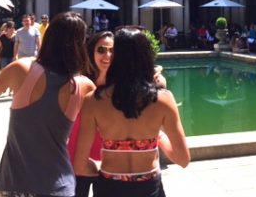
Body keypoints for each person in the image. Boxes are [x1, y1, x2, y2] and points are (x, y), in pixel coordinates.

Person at [0, 11, 96, 197]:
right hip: (58, 185)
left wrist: (7, 76)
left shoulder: (23, 68)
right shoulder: (84, 86)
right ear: (81, 44)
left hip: (15, 184)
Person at [74, 27, 190, 196]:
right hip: (149, 187)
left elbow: (80, 164)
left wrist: (101, 169)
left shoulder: (93, 101)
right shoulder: (163, 100)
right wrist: (158, 137)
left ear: (115, 57)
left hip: (109, 187)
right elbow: (183, 159)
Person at [68, 31, 115, 197]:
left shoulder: (119, 85)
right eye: (101, 50)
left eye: (111, 50)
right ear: (91, 52)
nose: (107, 55)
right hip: (77, 155)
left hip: (107, 159)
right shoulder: (79, 82)